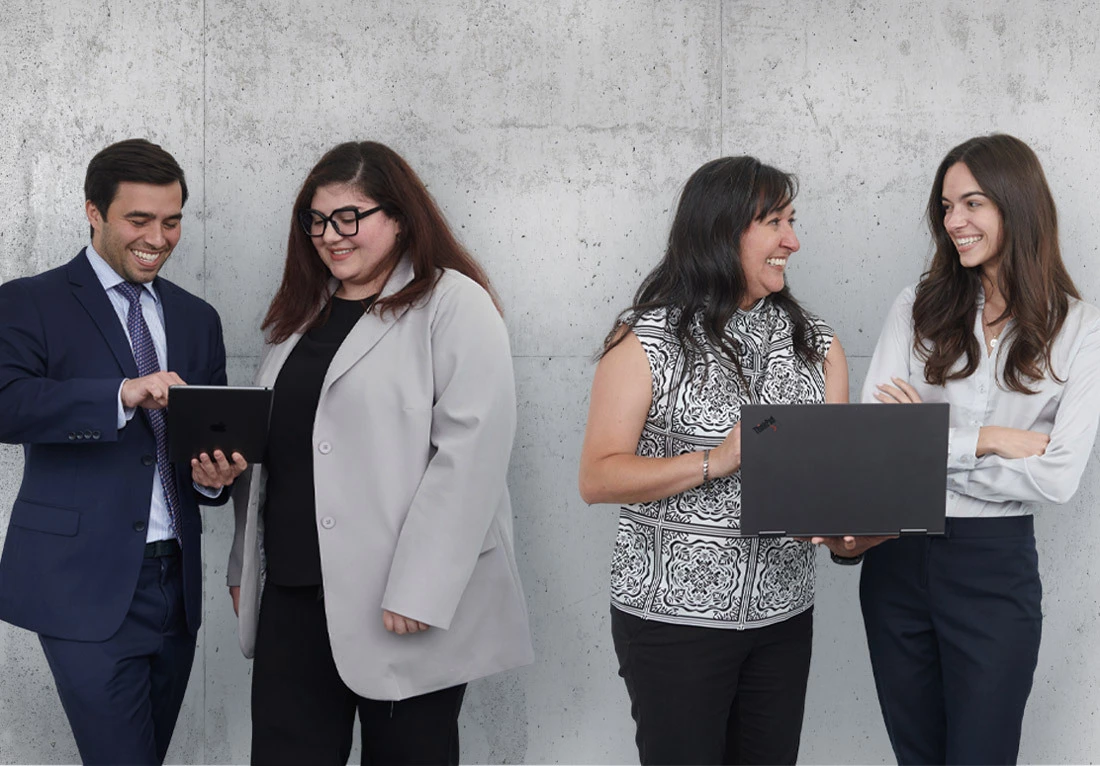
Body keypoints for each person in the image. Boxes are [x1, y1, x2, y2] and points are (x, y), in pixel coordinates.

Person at [226, 140, 533, 765]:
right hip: (291, 593)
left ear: (399, 215)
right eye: (316, 220)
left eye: (349, 217)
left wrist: (420, 589)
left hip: (396, 601)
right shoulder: (299, 314)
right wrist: (244, 565)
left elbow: (471, 455)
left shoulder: (453, 304)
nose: (329, 235)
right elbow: (281, 452)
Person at [578, 156, 848, 765]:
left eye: (791, 220)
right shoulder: (644, 339)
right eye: (774, 222)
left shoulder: (820, 345)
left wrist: (850, 534)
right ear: (722, 231)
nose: (792, 240)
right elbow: (597, 477)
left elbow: (833, 496)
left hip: (783, 618)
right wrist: (715, 459)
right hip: (671, 622)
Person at [0, 138, 247, 764]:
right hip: (82, 583)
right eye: (138, 220)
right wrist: (121, 394)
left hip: (175, 584)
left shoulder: (197, 318)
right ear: (94, 212)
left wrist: (213, 478)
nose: (158, 238)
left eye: (171, 221)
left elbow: (204, 443)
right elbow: (7, 404)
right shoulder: (30, 301)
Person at [858, 133, 1100, 764]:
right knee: (919, 755)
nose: (954, 222)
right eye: (945, 207)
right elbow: (873, 449)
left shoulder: (1081, 329)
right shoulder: (916, 308)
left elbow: (1058, 479)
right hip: (897, 559)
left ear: (1017, 206)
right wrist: (989, 443)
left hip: (994, 569)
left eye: (972, 204)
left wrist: (929, 448)